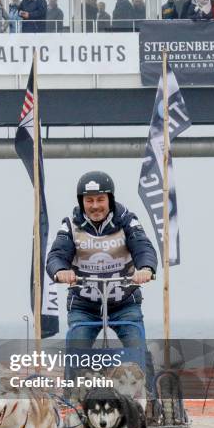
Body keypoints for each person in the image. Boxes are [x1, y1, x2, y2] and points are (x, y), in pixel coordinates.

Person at [46, 171, 157, 398]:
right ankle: (73, 401)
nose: (95, 206)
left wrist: (146, 269)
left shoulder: (128, 221)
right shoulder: (70, 226)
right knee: (76, 351)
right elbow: (56, 255)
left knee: (137, 350)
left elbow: (143, 247)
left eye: (100, 199)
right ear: (81, 202)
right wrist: (60, 271)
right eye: (89, 200)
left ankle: (150, 401)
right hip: (84, 305)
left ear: (110, 200)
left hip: (124, 302)